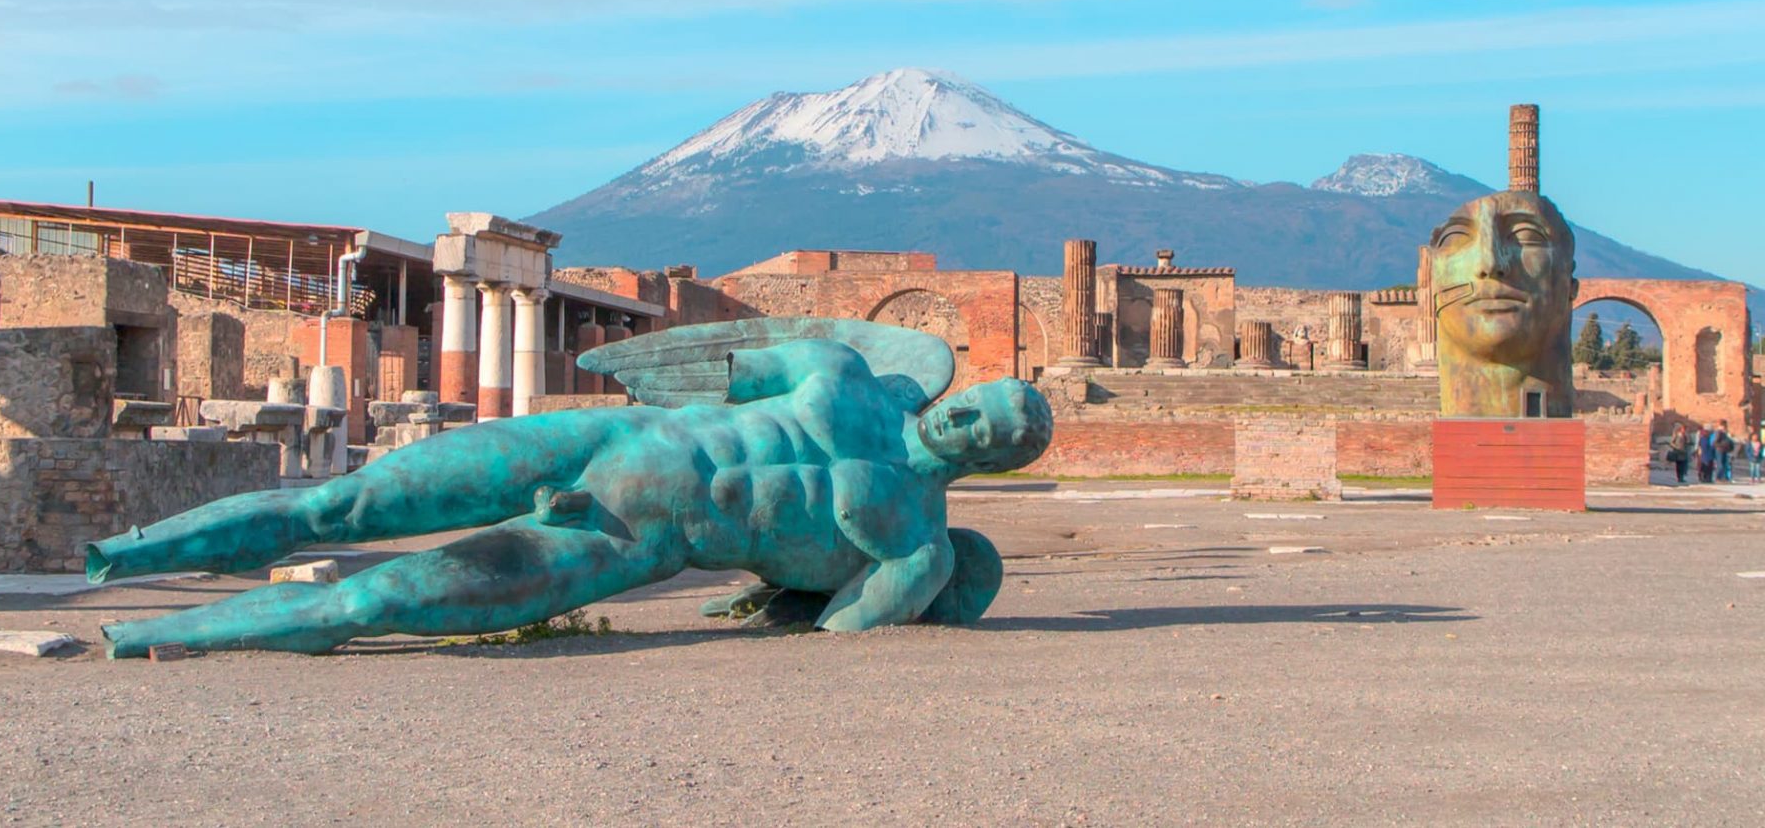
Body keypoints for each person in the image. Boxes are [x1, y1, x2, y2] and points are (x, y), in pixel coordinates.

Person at [87, 335, 1054, 657]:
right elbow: (707, 369)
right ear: (963, 392)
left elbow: (842, 630)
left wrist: (818, 595)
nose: (968, 425)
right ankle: (123, 553)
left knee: (376, 601)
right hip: (609, 438)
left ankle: (153, 636)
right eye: (978, 406)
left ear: (1002, 466)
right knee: (340, 507)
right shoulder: (841, 374)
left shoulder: (913, 546)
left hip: (630, 536)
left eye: (994, 436)